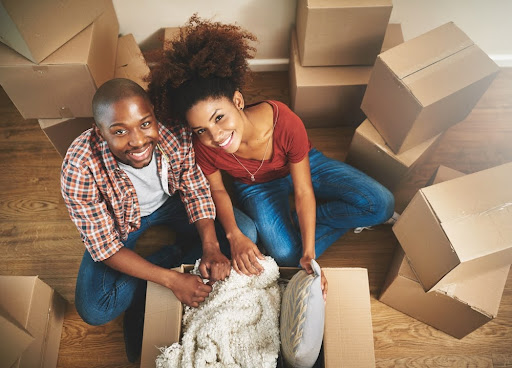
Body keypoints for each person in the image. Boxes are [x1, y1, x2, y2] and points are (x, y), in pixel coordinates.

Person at [147, 16, 395, 296]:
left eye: (219, 118)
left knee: (381, 204)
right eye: (201, 129)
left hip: (301, 166)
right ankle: (296, 230)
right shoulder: (202, 144)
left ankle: (297, 225)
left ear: (237, 101)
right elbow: (216, 190)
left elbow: (302, 191)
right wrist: (235, 235)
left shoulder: (284, 120)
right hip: (254, 186)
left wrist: (310, 251)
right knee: (287, 258)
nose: (215, 136)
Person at [60, 78, 257, 362]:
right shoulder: (79, 166)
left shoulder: (175, 129)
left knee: (244, 230)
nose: (138, 140)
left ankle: (165, 264)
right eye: (119, 131)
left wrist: (211, 247)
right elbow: (104, 248)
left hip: (172, 204)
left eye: (144, 123)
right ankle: (171, 259)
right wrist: (173, 280)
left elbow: (195, 190)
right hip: (121, 224)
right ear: (100, 134)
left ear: (154, 114)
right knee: (95, 309)